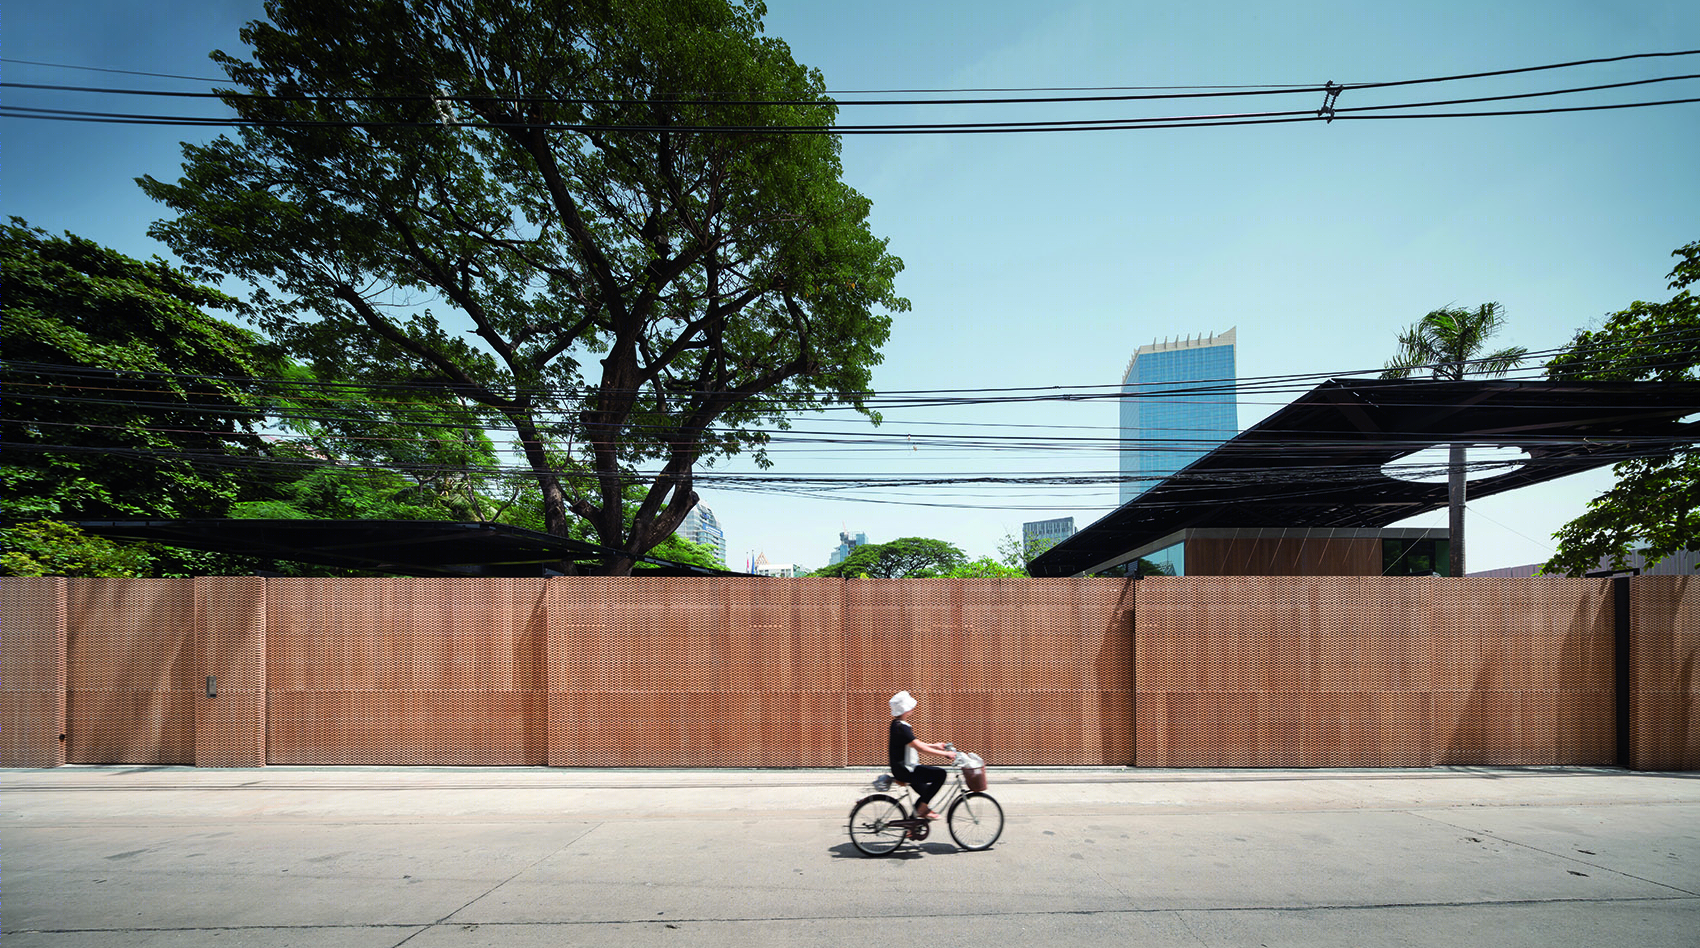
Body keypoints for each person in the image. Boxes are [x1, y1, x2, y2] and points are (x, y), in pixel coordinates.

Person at [888, 691, 955, 820]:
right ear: (905, 709)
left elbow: (915, 744)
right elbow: (920, 748)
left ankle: (911, 826)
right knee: (941, 774)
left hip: (903, 769)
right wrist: (945, 754)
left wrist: (935, 746)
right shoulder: (902, 728)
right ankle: (922, 810)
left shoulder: (897, 725)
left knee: (926, 793)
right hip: (907, 770)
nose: (913, 708)